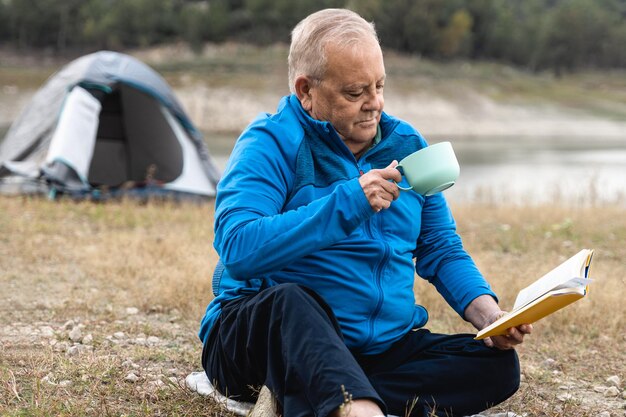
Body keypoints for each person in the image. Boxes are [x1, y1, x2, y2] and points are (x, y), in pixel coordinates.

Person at [198, 8, 531, 417]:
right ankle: (352, 405)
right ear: (306, 91)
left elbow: (439, 247)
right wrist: (349, 201)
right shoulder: (269, 142)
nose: (374, 104)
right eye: (355, 93)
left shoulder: (407, 144)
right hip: (262, 336)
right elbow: (237, 246)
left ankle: (314, 393)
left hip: (377, 349)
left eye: (380, 86)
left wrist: (489, 316)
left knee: (496, 367)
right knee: (292, 300)